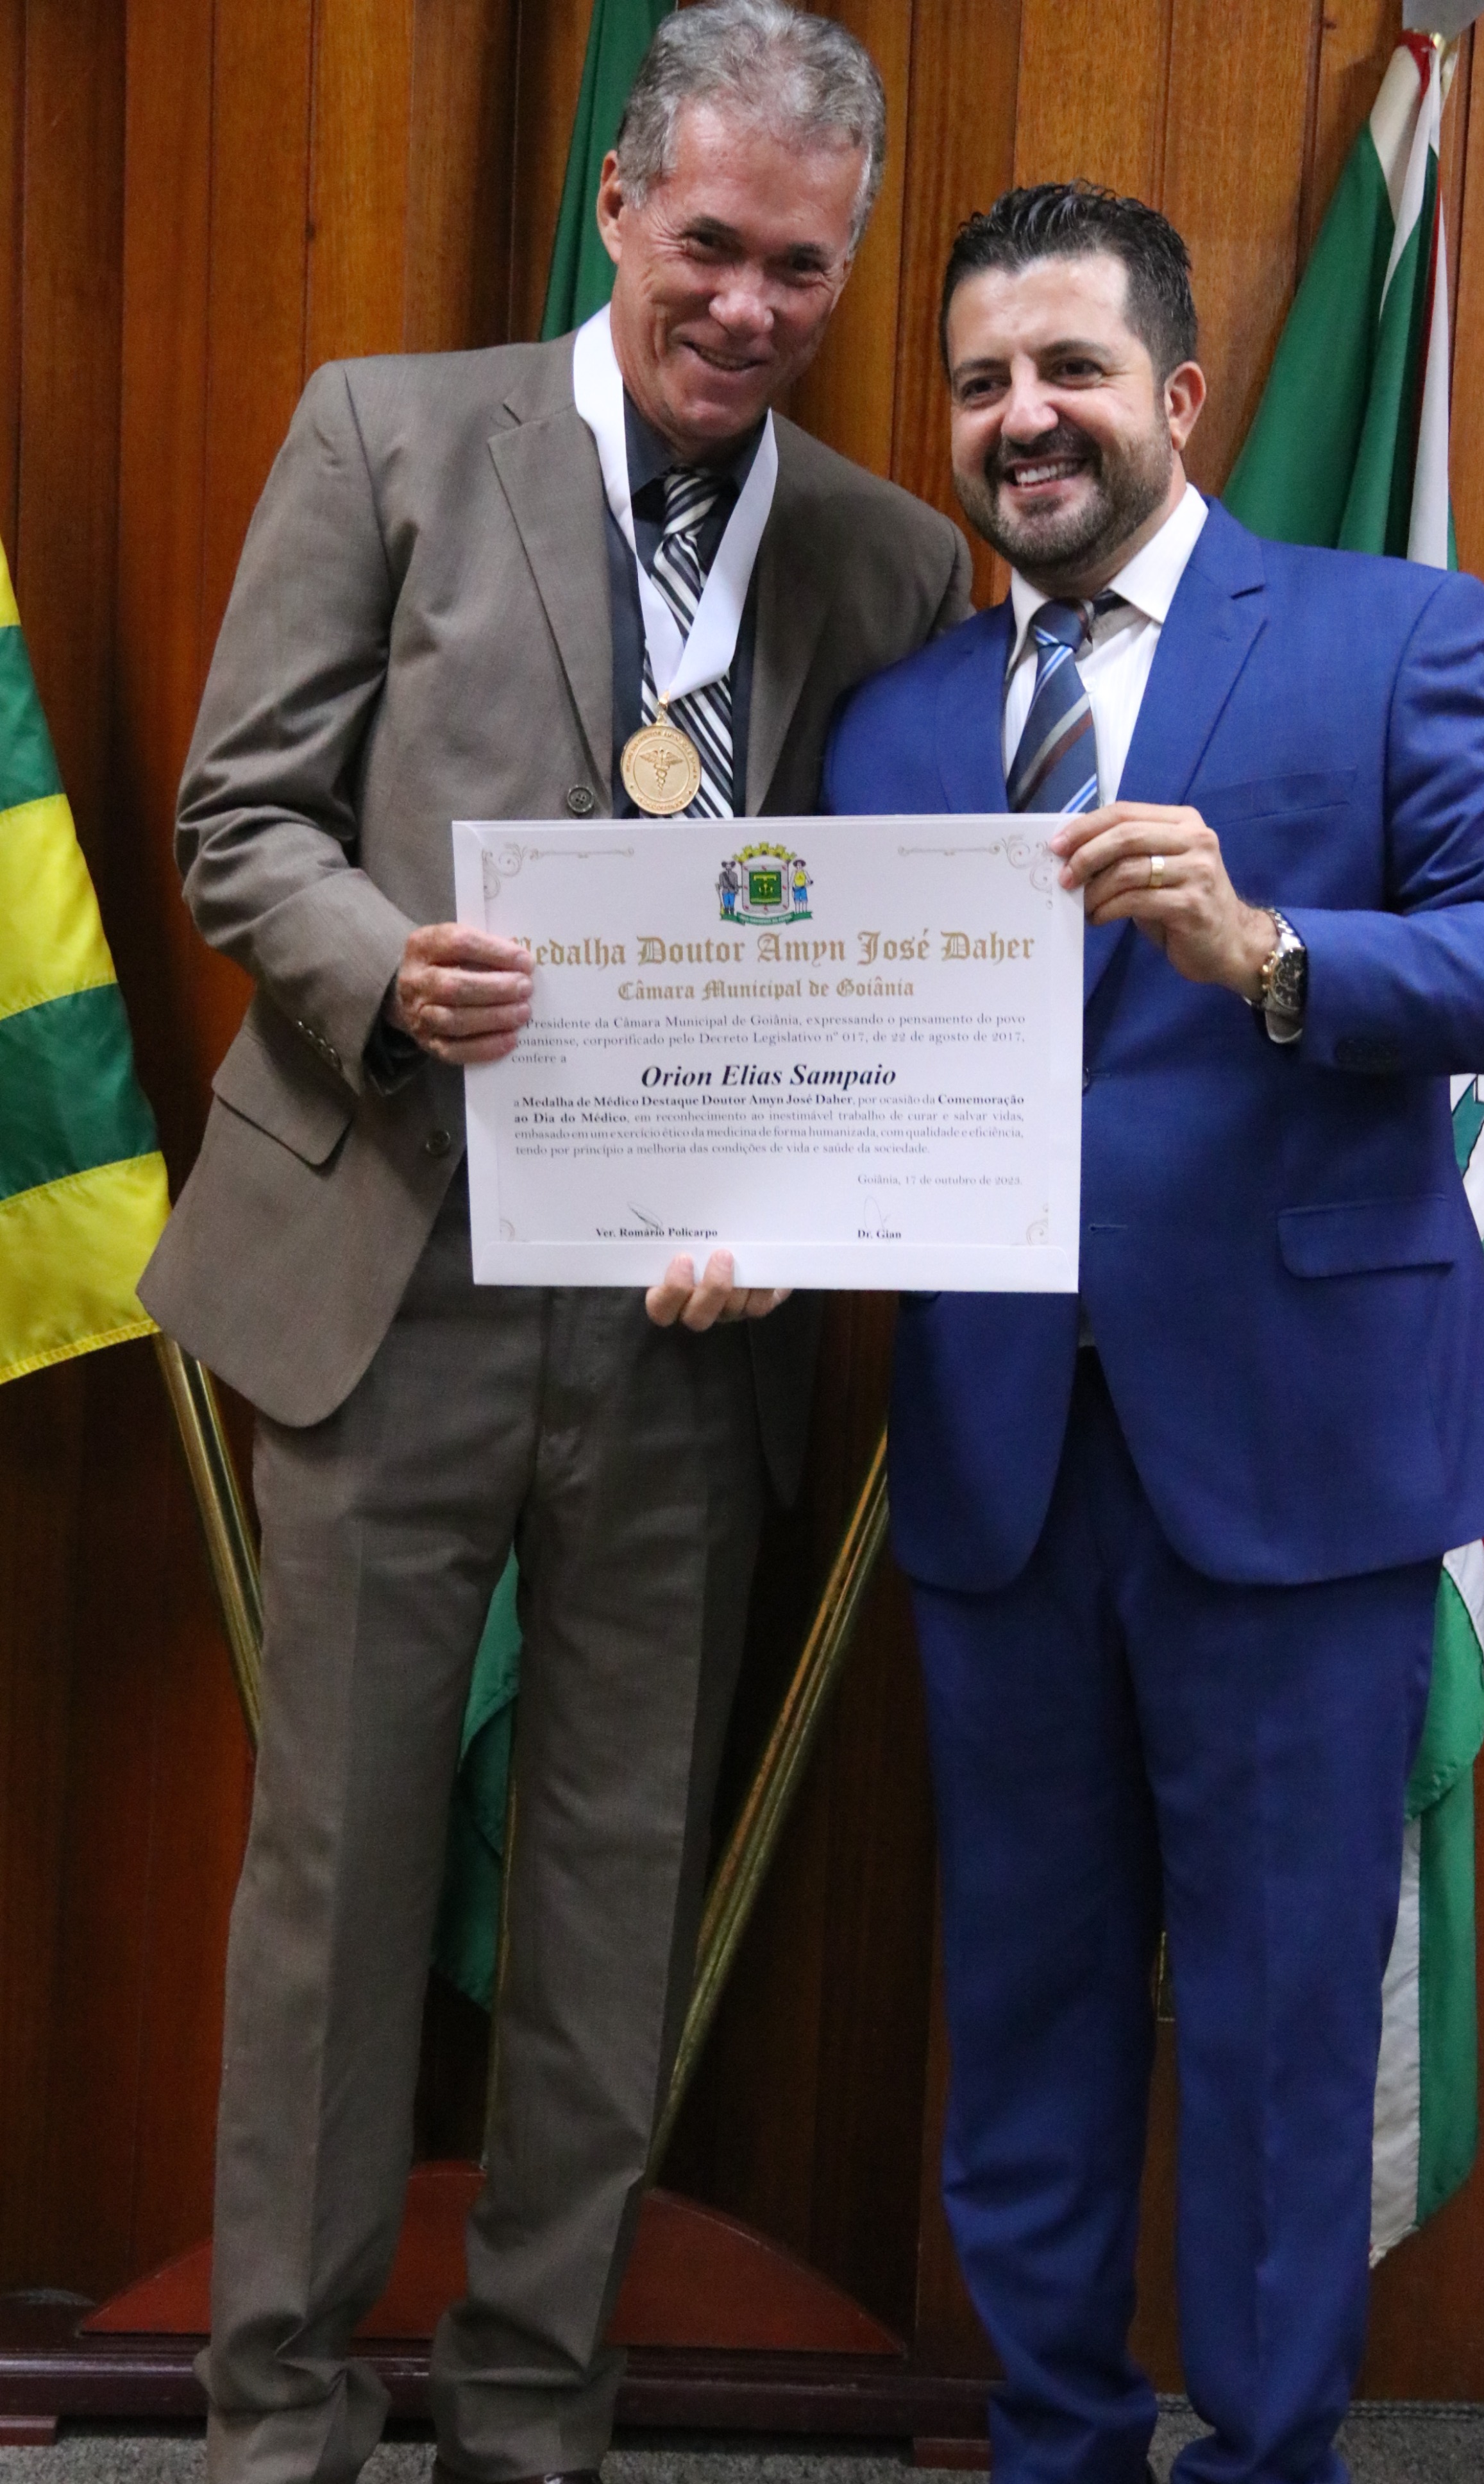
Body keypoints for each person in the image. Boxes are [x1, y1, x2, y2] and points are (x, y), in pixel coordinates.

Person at [138, 10, 971, 2484]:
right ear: (619, 203)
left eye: (801, 270)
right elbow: (235, 816)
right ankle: (275, 2429)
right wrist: (384, 968)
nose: (747, 305)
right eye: (708, 243)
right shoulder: (388, 435)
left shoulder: (891, 559)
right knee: (339, 1897)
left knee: (614, 1904)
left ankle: (534, 2425)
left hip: (690, 1330)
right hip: (390, 1276)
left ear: (847, 267)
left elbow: (881, 953)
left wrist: (804, 1201)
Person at [824, 184, 1484, 2484]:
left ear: (1172, 393)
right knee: (1028, 2011)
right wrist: (738, 1220)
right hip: (999, 1468)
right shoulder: (896, 722)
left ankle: (1270, 2462)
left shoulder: (1391, 631)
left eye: (1068, 369)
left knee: (1276, 2032)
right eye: (980, 382)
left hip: (1302, 1460)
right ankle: (1056, 2447)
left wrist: (1272, 951)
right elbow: (837, 1067)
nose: (1023, 417)